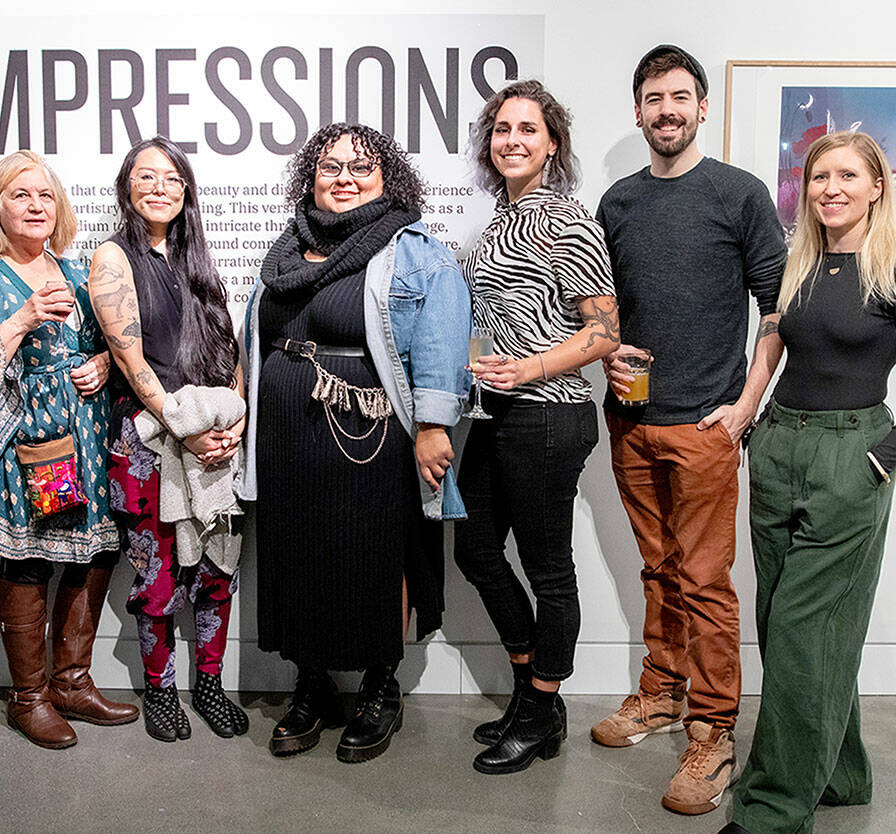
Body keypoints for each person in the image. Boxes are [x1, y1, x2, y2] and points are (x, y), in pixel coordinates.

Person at [713, 131, 896, 834]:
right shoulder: (801, 266)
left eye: (847, 176)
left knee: (801, 635)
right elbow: (777, 347)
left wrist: (877, 463)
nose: (830, 189)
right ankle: (840, 774)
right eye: (819, 177)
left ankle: (781, 802)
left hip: (852, 454)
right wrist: (751, 417)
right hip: (780, 445)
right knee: (783, 621)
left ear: (878, 185)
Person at [592, 45, 786, 815]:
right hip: (631, 421)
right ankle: (660, 694)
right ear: (637, 111)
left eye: (680, 96)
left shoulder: (738, 194)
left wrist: (746, 406)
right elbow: (599, 313)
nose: (666, 110)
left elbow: (775, 313)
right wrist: (603, 358)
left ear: (703, 106)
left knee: (705, 582)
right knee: (657, 569)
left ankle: (714, 730)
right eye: (653, 98)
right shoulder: (616, 204)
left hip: (707, 425)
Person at [239, 123, 471, 763]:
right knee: (297, 553)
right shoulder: (288, 248)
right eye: (329, 167)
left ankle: (380, 689)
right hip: (288, 435)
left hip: (370, 433)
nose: (343, 177)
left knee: (374, 554)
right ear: (309, 179)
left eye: (360, 166)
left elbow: (439, 340)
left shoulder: (412, 249)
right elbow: (254, 339)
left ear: (387, 177)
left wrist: (431, 426)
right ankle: (309, 687)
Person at [0, 150, 137, 751]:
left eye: (45, 195)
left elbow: (113, 346)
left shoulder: (76, 274)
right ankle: (30, 698)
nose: (35, 205)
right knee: (30, 560)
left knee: (92, 554)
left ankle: (73, 683)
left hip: (87, 441)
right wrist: (19, 320)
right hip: (30, 449)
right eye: (20, 195)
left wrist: (101, 362)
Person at [453, 80, 619, 775]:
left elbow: (605, 332)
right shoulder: (498, 220)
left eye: (528, 129)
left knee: (550, 571)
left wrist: (530, 369)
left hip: (551, 415)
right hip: (498, 412)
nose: (513, 140)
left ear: (553, 143)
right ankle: (532, 690)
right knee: (474, 552)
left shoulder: (565, 219)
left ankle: (544, 704)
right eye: (502, 129)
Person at [88, 137, 249, 742]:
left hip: (215, 442)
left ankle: (209, 683)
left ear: (186, 191)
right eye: (145, 176)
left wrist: (233, 424)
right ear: (127, 188)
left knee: (216, 572)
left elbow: (229, 355)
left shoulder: (200, 265)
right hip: (152, 445)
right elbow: (132, 363)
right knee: (157, 580)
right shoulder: (113, 258)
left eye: (171, 178)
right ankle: (160, 690)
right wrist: (187, 426)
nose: (159, 187)